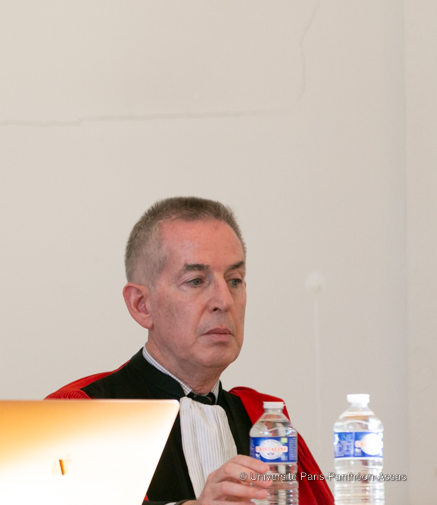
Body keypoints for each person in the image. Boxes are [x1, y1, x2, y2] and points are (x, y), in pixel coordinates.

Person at [47, 197, 333, 505]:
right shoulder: (81, 415)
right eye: (196, 280)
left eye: (235, 280)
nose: (224, 300)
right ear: (141, 305)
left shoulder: (267, 424)